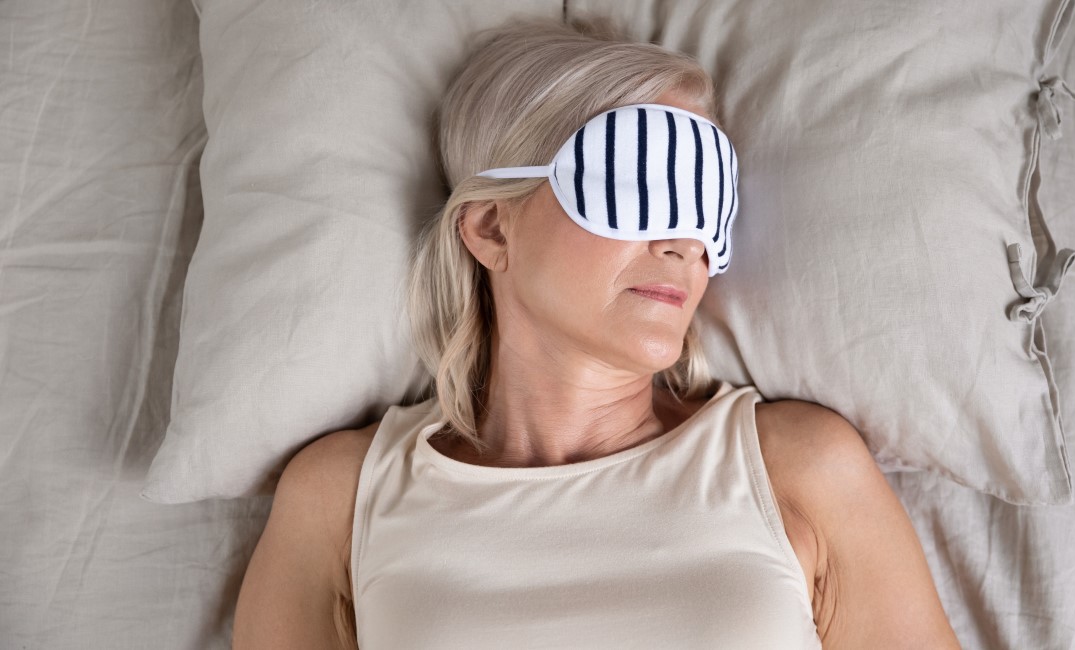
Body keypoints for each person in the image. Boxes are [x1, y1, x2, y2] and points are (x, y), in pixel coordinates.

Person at [233, 14, 960, 650]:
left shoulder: (800, 468)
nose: (686, 245)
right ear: (492, 227)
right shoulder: (341, 496)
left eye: (707, 206)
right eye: (639, 187)